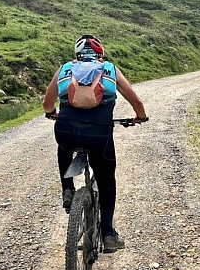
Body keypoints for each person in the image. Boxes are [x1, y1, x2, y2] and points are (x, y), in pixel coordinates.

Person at [42, 34, 147, 253]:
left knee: (64, 149)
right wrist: (140, 116)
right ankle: (108, 233)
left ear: (77, 55)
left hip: (66, 130)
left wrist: (52, 113)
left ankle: (68, 189)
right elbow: (136, 101)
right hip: (100, 135)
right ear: (100, 54)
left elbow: (46, 103)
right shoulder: (109, 68)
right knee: (107, 180)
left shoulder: (64, 69)